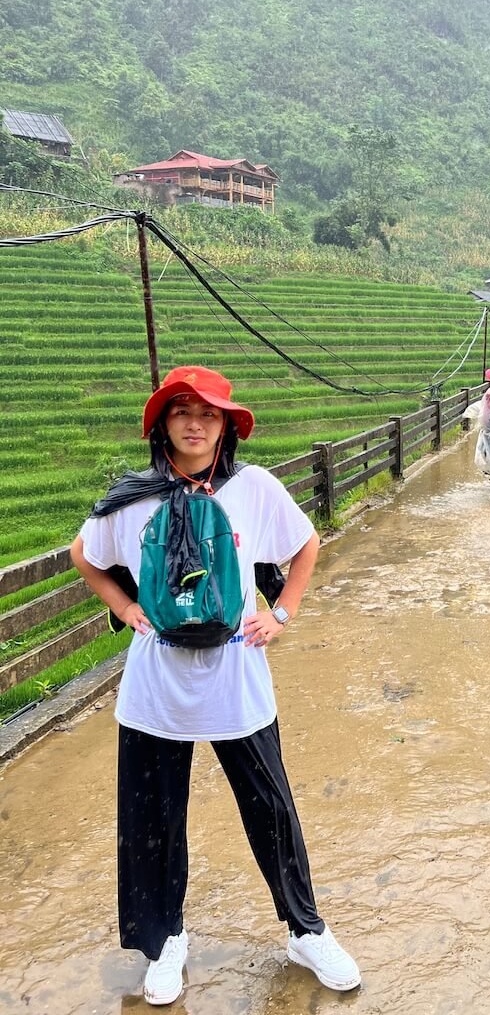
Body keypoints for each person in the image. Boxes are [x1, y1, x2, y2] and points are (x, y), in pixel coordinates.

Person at [70, 365, 361, 1006]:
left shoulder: (252, 487)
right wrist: (123, 607)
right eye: (181, 412)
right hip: (155, 691)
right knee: (153, 820)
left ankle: (304, 929)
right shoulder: (134, 495)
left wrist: (281, 612)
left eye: (208, 413)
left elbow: (305, 544)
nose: (195, 424)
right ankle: (164, 940)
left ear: (226, 425)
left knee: (271, 809)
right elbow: (84, 553)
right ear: (162, 425)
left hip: (237, 683)